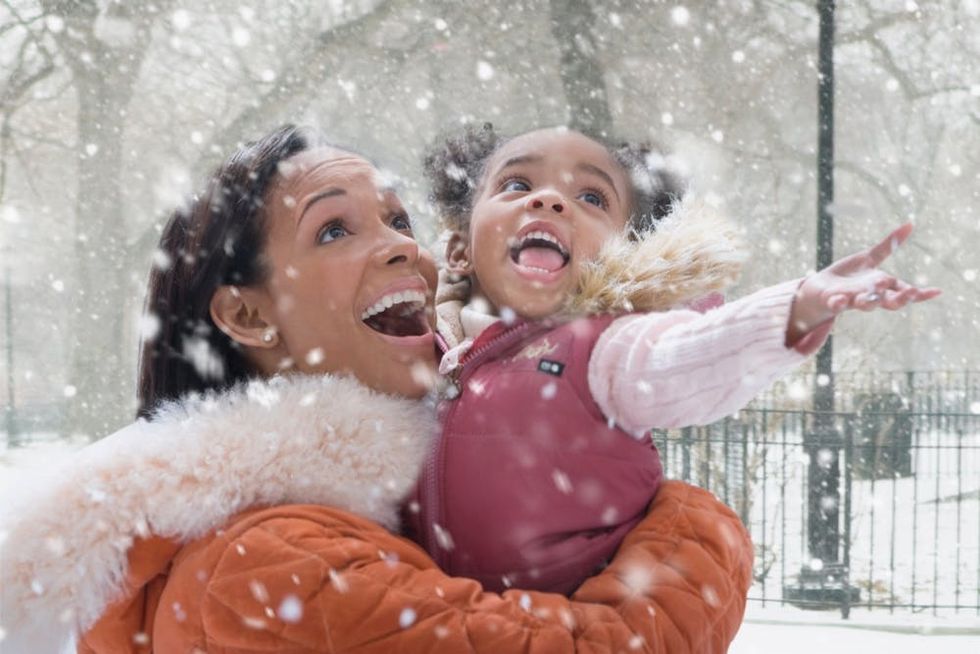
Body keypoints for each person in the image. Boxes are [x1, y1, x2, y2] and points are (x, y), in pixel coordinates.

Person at [0, 125, 755, 654]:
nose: (403, 245)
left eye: (399, 218)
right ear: (248, 313)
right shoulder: (267, 563)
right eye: (334, 230)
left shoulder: (381, 509)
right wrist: (696, 528)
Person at [413, 124, 940, 595]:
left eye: (592, 197)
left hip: (568, 620)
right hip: (433, 621)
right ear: (459, 248)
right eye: (518, 185)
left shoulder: (605, 349)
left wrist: (797, 308)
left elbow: (692, 356)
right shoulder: (413, 352)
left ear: (626, 250)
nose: (550, 199)